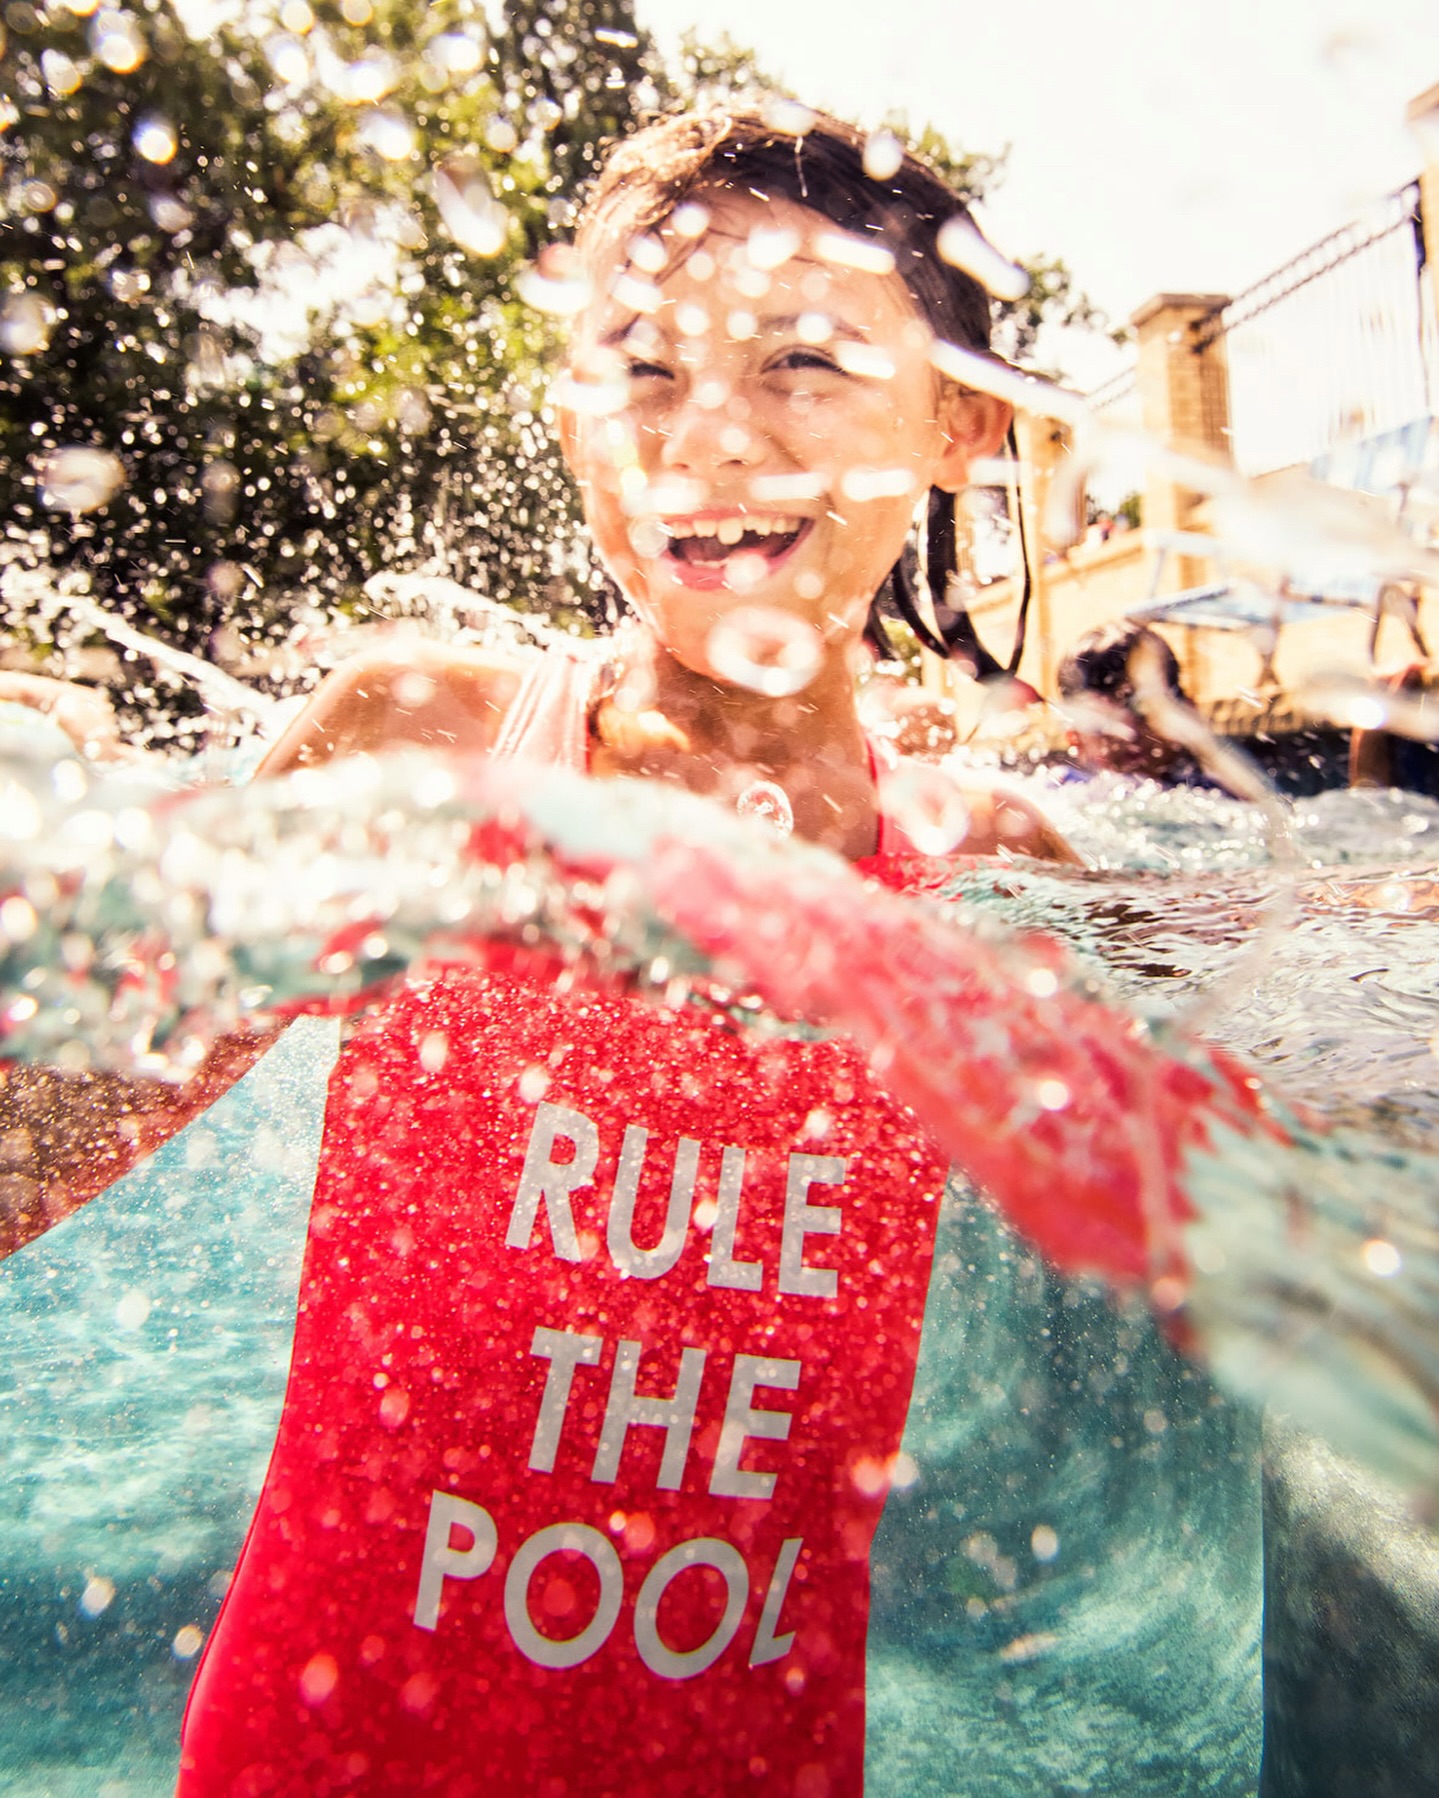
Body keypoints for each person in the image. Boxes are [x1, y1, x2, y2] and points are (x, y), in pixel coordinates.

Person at [4, 108, 1264, 1796]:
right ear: (567, 412)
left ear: (961, 420)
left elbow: (1242, 1219)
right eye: (642, 365)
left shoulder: (977, 870)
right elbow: (43, 1132)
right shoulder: (425, 753)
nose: (708, 437)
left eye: (802, 360)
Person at [1054, 618, 1221, 787]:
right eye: (1106, 722)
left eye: (1143, 712)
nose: (1129, 733)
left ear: (1187, 713)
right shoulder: (1064, 789)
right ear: (1074, 737)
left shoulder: (1218, 793)